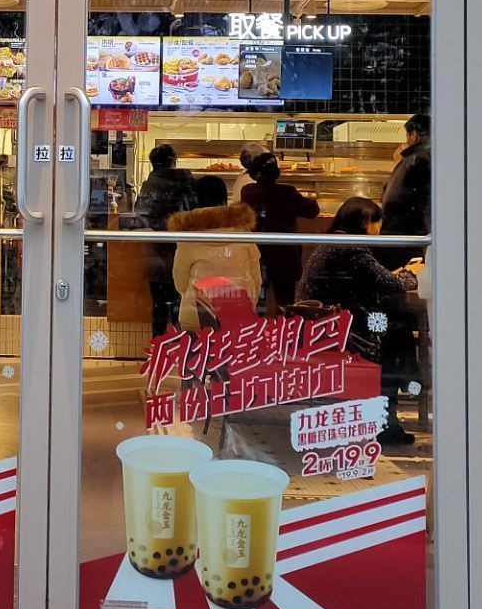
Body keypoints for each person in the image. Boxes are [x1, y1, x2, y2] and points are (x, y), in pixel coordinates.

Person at [300, 196, 421, 446]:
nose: (380, 230)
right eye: (378, 223)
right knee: (397, 337)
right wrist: (413, 273)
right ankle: (391, 414)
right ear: (366, 221)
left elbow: (374, 279)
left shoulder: (338, 242)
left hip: (327, 325)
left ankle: (400, 398)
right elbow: (391, 284)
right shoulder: (352, 247)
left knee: (397, 332)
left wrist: (397, 274)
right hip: (340, 330)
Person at [168, 175, 262, 331]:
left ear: (196, 199)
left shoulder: (189, 236)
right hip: (239, 312)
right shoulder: (242, 231)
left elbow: (180, 282)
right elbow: (256, 277)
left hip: (197, 314)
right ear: (224, 199)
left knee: (198, 347)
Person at [239, 150, 320, 310]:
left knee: (257, 299)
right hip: (284, 255)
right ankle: (285, 324)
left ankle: (257, 324)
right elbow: (312, 211)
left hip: (258, 253)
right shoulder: (287, 192)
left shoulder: (247, 191)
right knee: (284, 302)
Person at [136, 143, 195, 335]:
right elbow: (194, 213)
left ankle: (159, 345)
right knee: (183, 301)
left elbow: (140, 214)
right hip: (184, 250)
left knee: (159, 305)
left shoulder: (150, 185)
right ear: (173, 162)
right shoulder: (187, 182)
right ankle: (183, 344)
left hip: (156, 251)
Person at [381, 112, 432, 237]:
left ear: (413, 135)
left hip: (402, 233)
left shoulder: (414, 160)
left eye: (407, 136)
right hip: (409, 234)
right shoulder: (424, 159)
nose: (406, 140)